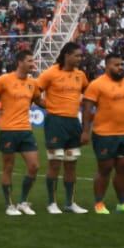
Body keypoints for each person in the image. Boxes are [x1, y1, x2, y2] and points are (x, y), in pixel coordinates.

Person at [81, 53, 124, 214]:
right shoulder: (97, 84)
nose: (121, 68)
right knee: (105, 168)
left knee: (123, 168)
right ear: (107, 66)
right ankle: (99, 203)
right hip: (104, 134)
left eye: (122, 65)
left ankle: (123, 203)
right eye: (116, 65)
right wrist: (85, 131)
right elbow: (87, 110)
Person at [37, 42, 89, 214]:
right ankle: (52, 203)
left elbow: (89, 94)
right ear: (67, 55)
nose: (80, 58)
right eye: (77, 55)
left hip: (73, 122)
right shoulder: (51, 73)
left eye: (80, 56)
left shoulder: (80, 75)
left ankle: (69, 203)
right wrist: (44, 104)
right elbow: (35, 91)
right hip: (55, 122)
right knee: (55, 163)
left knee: (71, 163)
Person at [0, 50, 41, 216]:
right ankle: (9, 204)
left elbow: (39, 100)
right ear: (20, 62)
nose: (32, 63)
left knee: (34, 166)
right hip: (8, 130)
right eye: (29, 60)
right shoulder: (4, 80)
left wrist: (59, 106)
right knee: (8, 168)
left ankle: (23, 202)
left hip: (26, 130)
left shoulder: (32, 83)